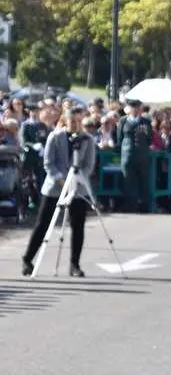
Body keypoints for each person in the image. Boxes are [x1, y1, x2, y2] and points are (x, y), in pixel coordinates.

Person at [21, 106, 96, 277]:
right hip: (55, 186)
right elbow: (48, 163)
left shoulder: (87, 140)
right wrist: (62, 180)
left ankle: (74, 264)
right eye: (73, 121)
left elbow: (88, 165)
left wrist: (75, 180)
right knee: (43, 223)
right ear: (65, 121)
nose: (76, 125)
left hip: (77, 187)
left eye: (79, 121)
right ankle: (28, 258)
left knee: (78, 226)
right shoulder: (55, 137)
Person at [117, 99, 152, 212]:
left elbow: (149, 138)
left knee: (143, 180)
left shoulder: (145, 122)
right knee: (128, 179)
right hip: (127, 153)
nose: (136, 109)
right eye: (133, 107)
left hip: (142, 155)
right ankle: (130, 204)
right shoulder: (123, 120)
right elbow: (119, 138)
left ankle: (144, 205)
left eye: (137, 107)